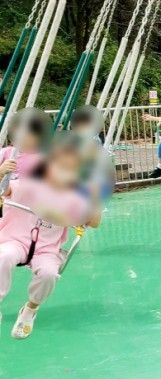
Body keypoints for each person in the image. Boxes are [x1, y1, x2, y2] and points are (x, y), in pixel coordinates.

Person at [0, 136, 101, 338]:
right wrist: (2, 173)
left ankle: (30, 309)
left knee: (49, 274)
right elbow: (6, 190)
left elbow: (94, 222)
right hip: (15, 240)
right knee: (3, 256)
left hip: (46, 249)